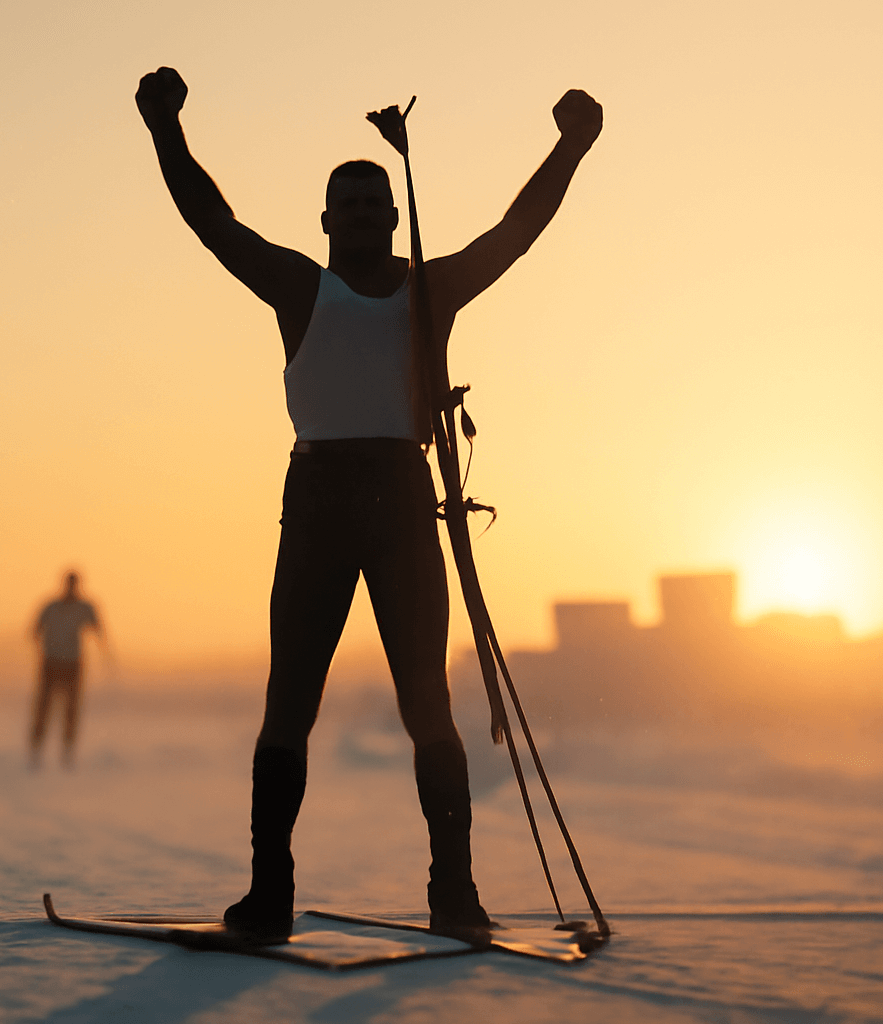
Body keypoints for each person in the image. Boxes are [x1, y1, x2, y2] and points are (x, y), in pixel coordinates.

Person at [134, 66, 602, 941]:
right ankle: (269, 894)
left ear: (393, 215)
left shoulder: (431, 290)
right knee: (290, 704)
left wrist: (571, 146)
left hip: (401, 501)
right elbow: (211, 222)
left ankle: (453, 893)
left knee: (428, 701)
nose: (356, 215)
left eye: (371, 202)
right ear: (324, 222)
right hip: (316, 499)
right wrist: (164, 128)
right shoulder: (301, 287)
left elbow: (517, 231)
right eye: (342, 204)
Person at [30, 571, 105, 769]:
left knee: (70, 710)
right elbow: (35, 631)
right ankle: (36, 750)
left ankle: (67, 752)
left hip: (72, 665)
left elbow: (98, 630)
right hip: (52, 663)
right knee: (44, 708)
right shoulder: (52, 607)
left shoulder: (84, 607)